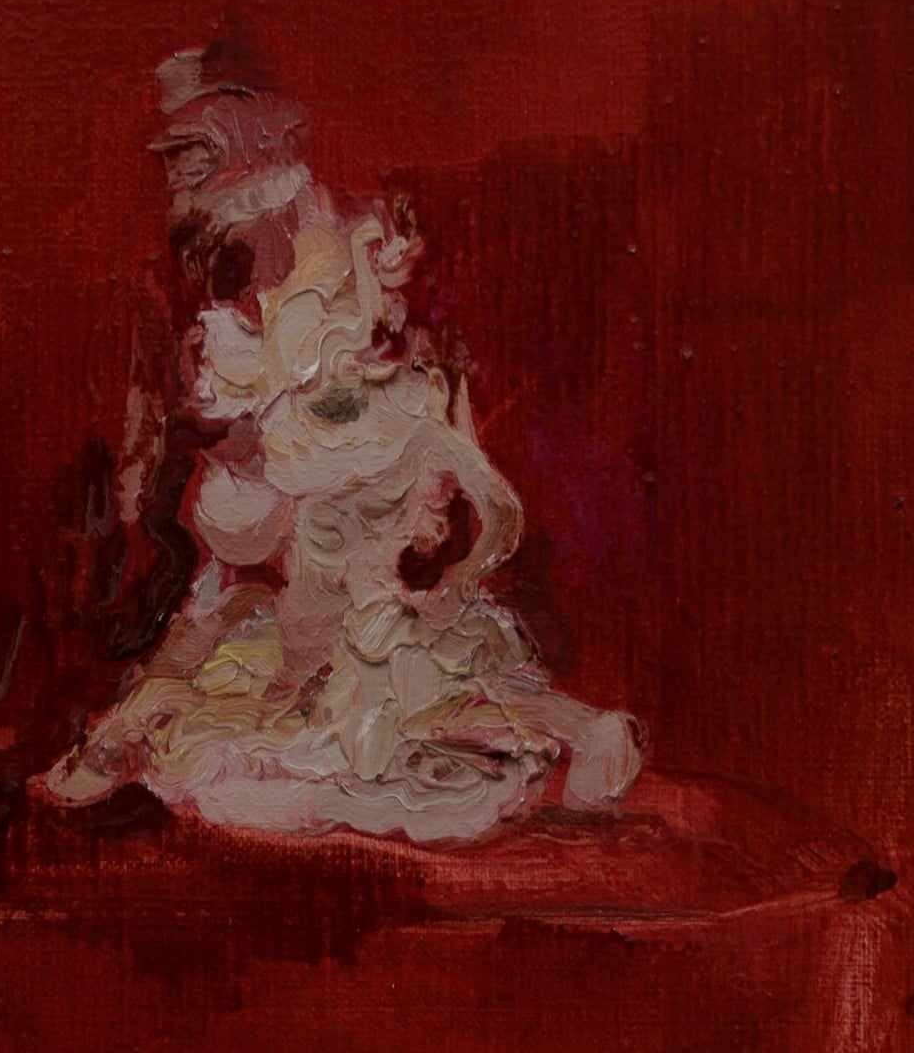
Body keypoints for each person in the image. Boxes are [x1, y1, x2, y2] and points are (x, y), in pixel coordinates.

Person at [41, 49, 642, 843]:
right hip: (296, 510)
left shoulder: (313, 248)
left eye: (190, 151)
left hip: (341, 508)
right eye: (172, 154)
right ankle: (127, 731)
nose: (176, 173)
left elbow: (361, 398)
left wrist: (287, 452)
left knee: (373, 680)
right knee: (258, 634)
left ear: (243, 138)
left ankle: (575, 730)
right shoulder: (229, 257)